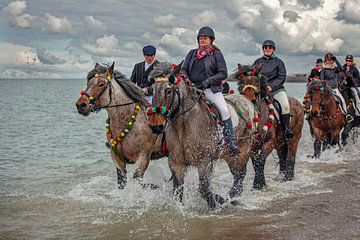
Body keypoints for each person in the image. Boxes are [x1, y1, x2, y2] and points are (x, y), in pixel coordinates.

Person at [180, 26, 239, 156]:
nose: (202, 40)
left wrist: (209, 80)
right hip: (192, 90)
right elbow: (183, 69)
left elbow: (223, 73)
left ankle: (229, 142)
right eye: (201, 38)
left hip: (210, 90)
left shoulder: (216, 54)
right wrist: (187, 80)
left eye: (205, 38)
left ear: (211, 40)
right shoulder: (191, 53)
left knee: (224, 111)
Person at [253, 39, 294, 140]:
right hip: (261, 91)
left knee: (285, 106)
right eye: (265, 47)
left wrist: (271, 86)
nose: (267, 49)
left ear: (273, 49)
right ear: (263, 49)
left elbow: (282, 77)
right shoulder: (257, 62)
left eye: (270, 47)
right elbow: (254, 76)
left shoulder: (279, 62)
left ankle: (286, 130)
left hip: (276, 90)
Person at [320, 52, 351, 121]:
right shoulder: (323, 70)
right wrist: (322, 88)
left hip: (335, 89)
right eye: (328, 60)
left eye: (331, 60)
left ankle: (346, 115)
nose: (330, 61)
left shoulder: (335, 68)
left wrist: (336, 60)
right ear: (325, 61)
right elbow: (322, 80)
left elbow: (342, 69)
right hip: (327, 89)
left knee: (342, 101)